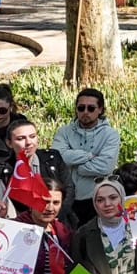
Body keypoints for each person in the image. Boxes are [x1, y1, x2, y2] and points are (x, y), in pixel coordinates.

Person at [53, 88, 122, 224]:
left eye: (91, 108)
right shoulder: (64, 132)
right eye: (81, 108)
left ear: (100, 110)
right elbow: (57, 157)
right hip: (68, 199)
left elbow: (105, 167)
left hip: (96, 199)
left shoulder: (111, 135)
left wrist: (77, 167)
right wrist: (89, 156)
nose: (85, 112)